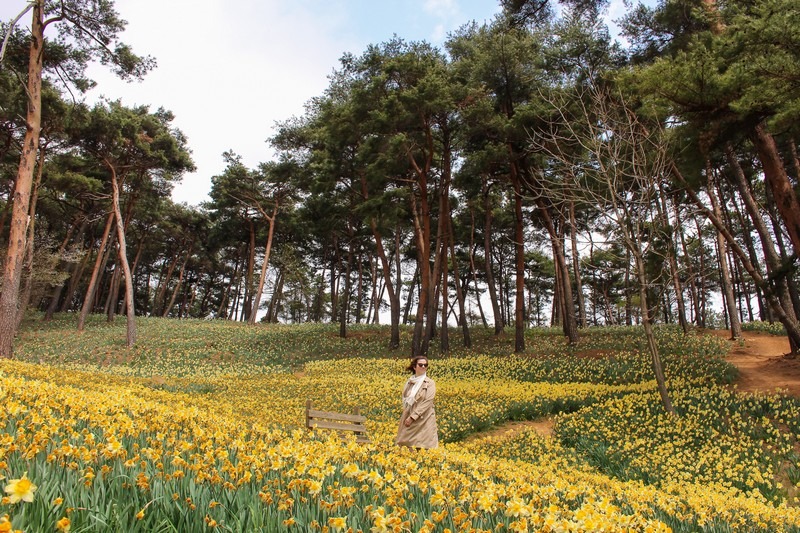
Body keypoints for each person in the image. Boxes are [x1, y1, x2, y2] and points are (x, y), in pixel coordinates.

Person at [395, 355, 438, 449]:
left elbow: (427, 401)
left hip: (424, 418)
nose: (423, 367)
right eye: (420, 365)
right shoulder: (410, 382)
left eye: (425, 365)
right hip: (409, 415)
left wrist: (413, 417)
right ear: (414, 367)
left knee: (424, 446)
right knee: (406, 445)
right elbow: (405, 398)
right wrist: (408, 416)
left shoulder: (430, 383)